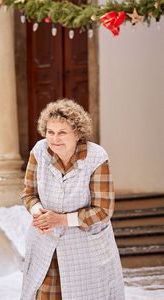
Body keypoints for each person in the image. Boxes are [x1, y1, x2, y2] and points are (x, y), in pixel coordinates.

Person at [21, 99, 125, 299]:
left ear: (77, 133)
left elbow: (103, 210)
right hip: (46, 243)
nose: (54, 139)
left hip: (86, 249)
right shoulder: (39, 151)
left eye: (62, 132)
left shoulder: (96, 157)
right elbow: (29, 193)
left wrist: (60, 220)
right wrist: (39, 213)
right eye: (50, 132)